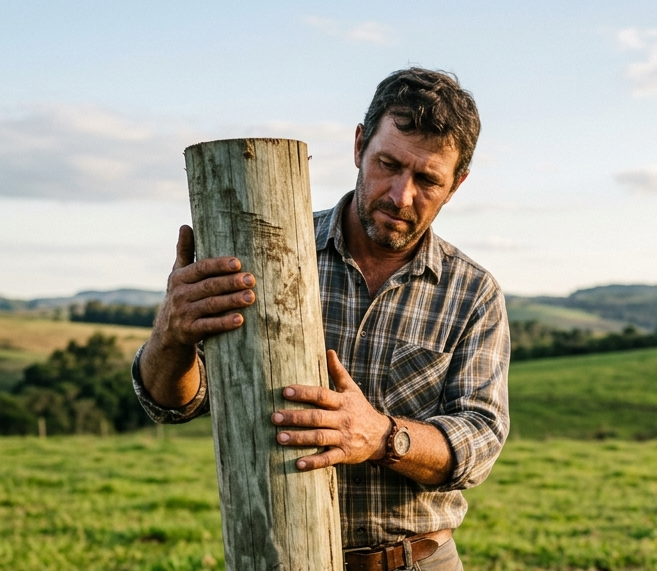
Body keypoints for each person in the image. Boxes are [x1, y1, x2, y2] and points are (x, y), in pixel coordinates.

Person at [132, 67, 510, 571]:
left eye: (427, 180)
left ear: (456, 184)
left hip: (420, 560)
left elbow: (480, 439)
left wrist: (381, 437)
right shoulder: (266, 253)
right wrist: (172, 334)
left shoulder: (473, 292)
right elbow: (173, 404)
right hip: (280, 558)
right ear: (359, 146)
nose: (401, 195)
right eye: (388, 164)